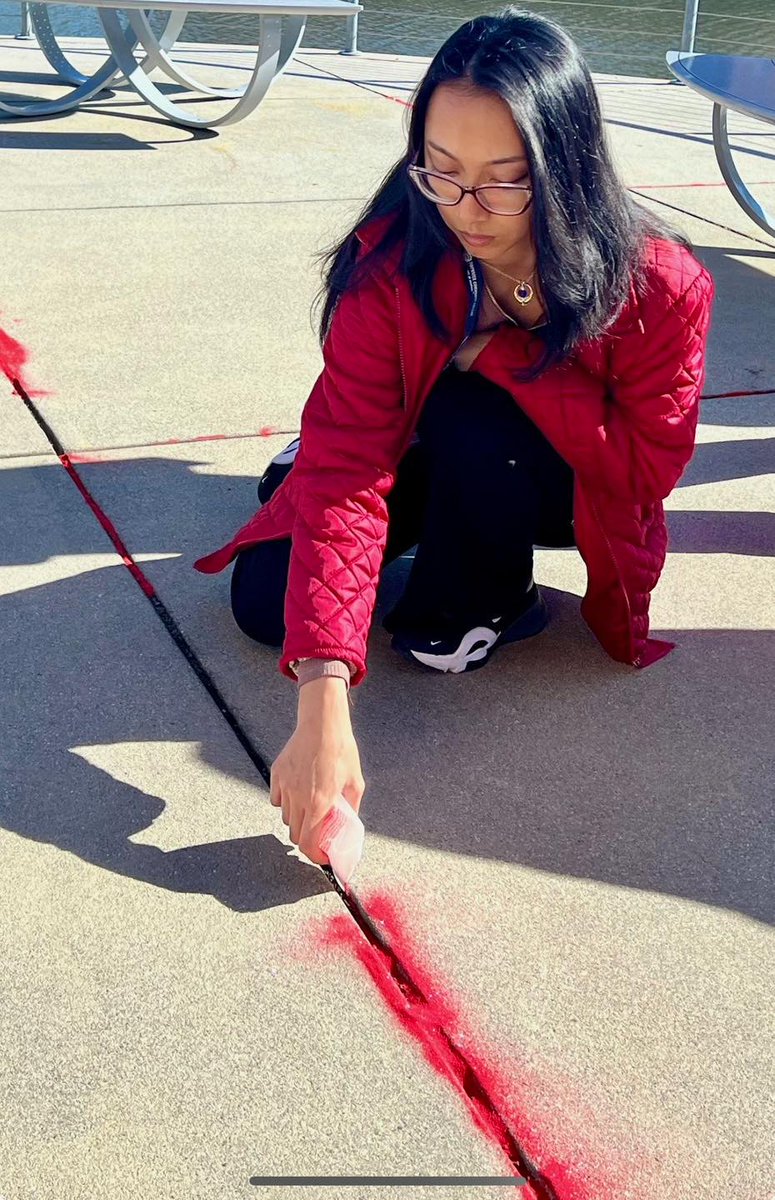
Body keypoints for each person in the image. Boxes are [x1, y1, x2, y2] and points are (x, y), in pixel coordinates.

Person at [194, 8, 714, 868]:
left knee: (475, 418)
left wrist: (503, 357)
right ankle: (380, 495)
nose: (467, 209)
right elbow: (351, 465)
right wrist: (323, 699)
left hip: (563, 478)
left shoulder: (659, 285)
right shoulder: (391, 260)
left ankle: (493, 599)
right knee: (266, 606)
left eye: (506, 181)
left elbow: (645, 468)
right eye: (439, 171)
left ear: (566, 168)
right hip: (416, 442)